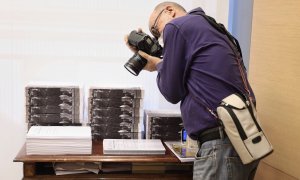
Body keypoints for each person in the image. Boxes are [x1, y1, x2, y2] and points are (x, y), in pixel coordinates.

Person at [125, 2, 259, 180]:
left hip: (219, 146)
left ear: (170, 11)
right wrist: (161, 59)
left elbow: (171, 92)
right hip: (243, 140)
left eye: (156, 30)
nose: (159, 38)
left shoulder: (176, 26)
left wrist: (155, 65)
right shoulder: (212, 27)